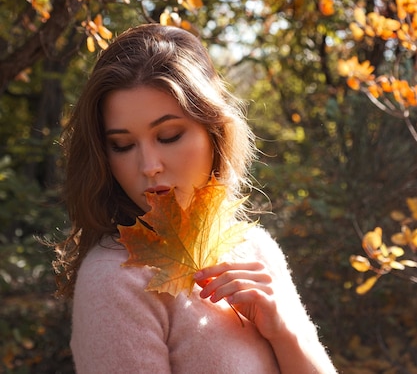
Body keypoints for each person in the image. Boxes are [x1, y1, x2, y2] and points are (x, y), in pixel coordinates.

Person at [54, 23, 337, 374]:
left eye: (169, 136)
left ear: (214, 131)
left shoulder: (257, 248)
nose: (149, 166)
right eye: (122, 145)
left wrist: (285, 334)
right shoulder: (115, 280)